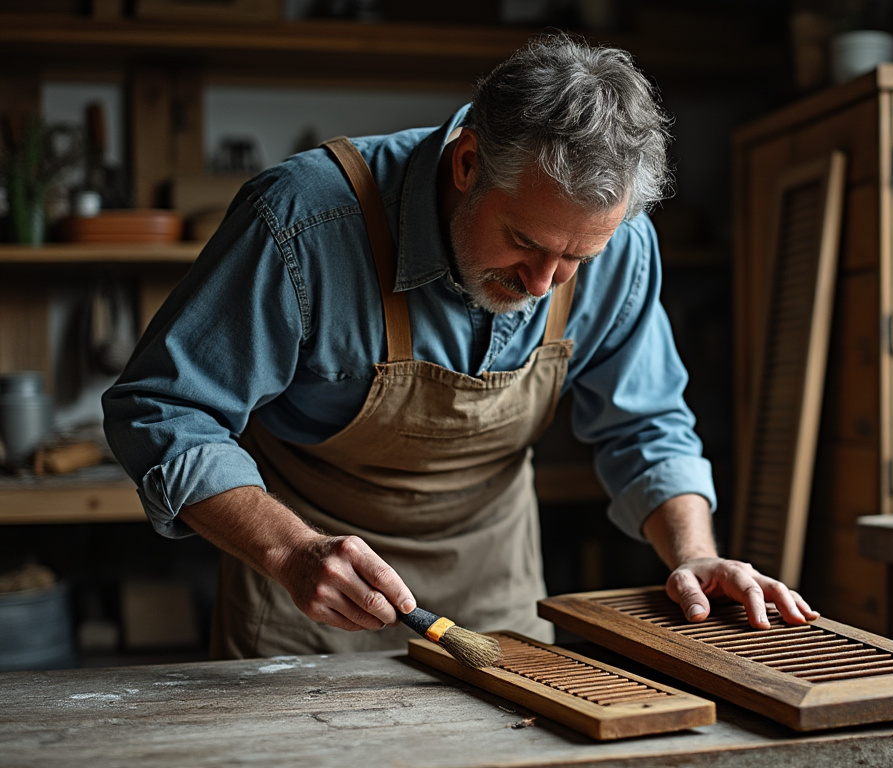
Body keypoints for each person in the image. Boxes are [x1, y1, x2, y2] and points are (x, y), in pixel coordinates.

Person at [103, 34, 818, 659]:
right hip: (305, 606)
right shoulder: (303, 222)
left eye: (577, 260)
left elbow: (648, 424)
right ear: (468, 162)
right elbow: (165, 409)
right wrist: (288, 550)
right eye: (525, 241)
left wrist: (695, 555)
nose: (543, 284)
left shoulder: (622, 243)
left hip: (495, 601)